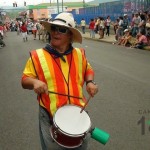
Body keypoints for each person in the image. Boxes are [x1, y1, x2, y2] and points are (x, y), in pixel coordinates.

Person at [21, 12, 98, 150]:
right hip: (50, 115)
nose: (56, 32)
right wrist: (34, 82)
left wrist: (90, 82)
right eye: (53, 28)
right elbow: (24, 80)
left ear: (70, 35)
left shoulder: (79, 54)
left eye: (61, 29)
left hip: (77, 112)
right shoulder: (37, 56)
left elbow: (88, 70)